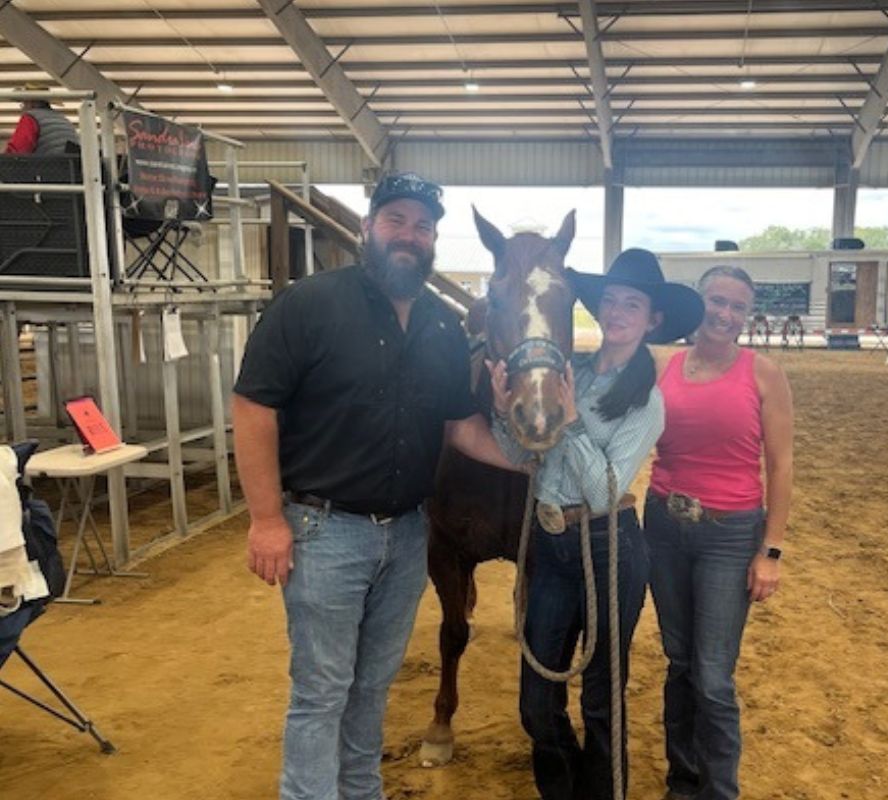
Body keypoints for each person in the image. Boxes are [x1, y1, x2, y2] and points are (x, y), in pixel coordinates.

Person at [231, 172, 515, 800]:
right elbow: (253, 408)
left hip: (410, 532)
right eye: (396, 221)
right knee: (321, 691)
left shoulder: (441, 326)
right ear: (367, 228)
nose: (409, 235)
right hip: (322, 528)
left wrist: (533, 462)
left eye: (422, 226)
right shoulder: (309, 304)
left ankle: (360, 791)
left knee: (372, 685)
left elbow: (460, 426)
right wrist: (267, 519)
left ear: (434, 239)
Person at [488, 248, 704, 800]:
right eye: (610, 300)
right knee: (537, 700)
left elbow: (605, 486)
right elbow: (525, 454)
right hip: (553, 541)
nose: (617, 311)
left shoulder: (647, 402)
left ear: (653, 319)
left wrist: (575, 420)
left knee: (601, 699)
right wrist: (503, 407)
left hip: (609, 547)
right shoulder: (569, 372)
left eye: (632, 304)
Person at [645, 265, 795, 800]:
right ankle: (682, 784)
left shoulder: (763, 374)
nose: (726, 315)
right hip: (663, 525)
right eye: (716, 301)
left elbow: (780, 464)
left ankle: (719, 791)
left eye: (738, 307)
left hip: (730, 535)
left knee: (711, 676)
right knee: (679, 662)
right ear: (697, 302)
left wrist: (770, 551)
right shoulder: (665, 367)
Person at [4, 85, 79, 155]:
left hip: (46, 166)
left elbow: (18, 151)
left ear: (31, 103)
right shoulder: (63, 119)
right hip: (69, 167)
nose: (23, 108)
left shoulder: (30, 117)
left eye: (24, 103)